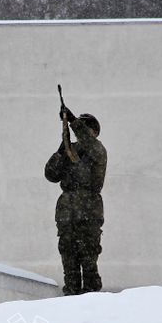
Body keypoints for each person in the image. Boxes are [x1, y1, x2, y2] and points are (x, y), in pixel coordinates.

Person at [44, 109, 107, 296]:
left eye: (86, 129)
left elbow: (90, 144)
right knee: (69, 265)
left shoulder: (97, 150)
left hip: (88, 212)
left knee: (89, 263)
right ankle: (71, 300)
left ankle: (91, 302)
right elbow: (51, 174)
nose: (81, 132)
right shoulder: (71, 150)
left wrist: (72, 120)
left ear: (94, 133)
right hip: (67, 214)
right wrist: (60, 151)